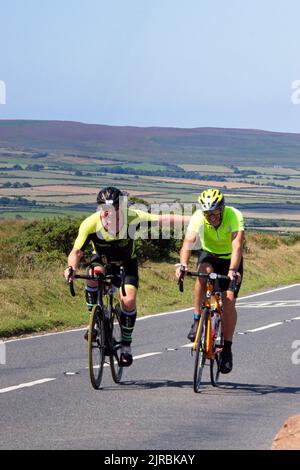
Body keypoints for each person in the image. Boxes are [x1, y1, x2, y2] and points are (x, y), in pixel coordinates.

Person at [64, 186, 189, 368]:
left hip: (126, 264)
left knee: (129, 301)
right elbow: (76, 251)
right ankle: (95, 322)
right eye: (104, 210)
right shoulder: (90, 224)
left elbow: (164, 219)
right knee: (92, 275)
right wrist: (71, 268)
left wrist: (194, 219)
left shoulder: (132, 217)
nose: (108, 215)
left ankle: (126, 345)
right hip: (101, 261)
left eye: (113, 210)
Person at [175, 188, 245, 374]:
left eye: (214, 212)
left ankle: (227, 349)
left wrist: (232, 271)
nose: (211, 216)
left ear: (222, 209)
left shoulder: (234, 215)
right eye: (208, 213)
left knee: (228, 301)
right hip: (209, 255)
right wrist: (182, 265)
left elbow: (237, 246)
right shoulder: (198, 217)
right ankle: (198, 319)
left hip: (230, 259)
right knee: (202, 275)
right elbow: (187, 243)